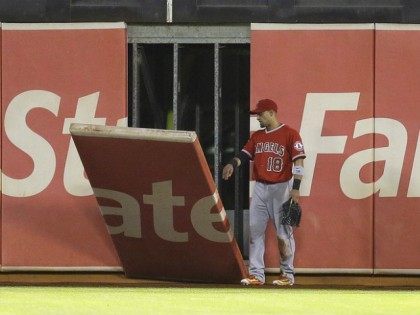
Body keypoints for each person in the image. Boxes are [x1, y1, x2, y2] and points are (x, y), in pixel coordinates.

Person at [222, 98, 305, 286]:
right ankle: (257, 275)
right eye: (256, 114)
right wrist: (232, 164)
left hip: (282, 188)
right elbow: (244, 154)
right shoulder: (257, 136)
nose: (257, 117)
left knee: (284, 233)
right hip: (260, 187)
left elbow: (299, 163)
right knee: (255, 231)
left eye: (260, 114)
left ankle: (287, 275)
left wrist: (296, 189)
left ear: (271, 113)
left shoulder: (290, 134)